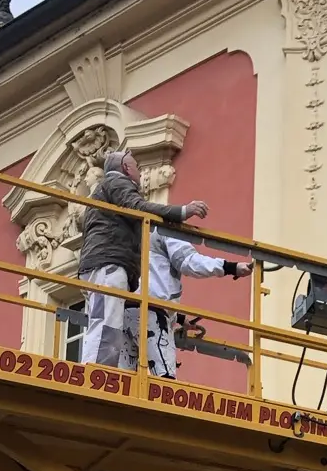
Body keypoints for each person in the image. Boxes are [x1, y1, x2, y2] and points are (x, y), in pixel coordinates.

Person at [77, 149, 207, 367]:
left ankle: (94, 367)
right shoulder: (117, 182)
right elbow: (138, 207)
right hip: (109, 264)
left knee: (102, 319)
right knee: (108, 322)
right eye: (136, 166)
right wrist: (182, 211)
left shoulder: (102, 191)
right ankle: (97, 371)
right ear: (126, 168)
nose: (139, 171)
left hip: (98, 264)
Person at [142, 225, 248, 376]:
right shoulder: (164, 228)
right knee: (164, 380)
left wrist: (180, 318)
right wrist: (231, 267)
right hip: (153, 312)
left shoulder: (132, 226)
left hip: (124, 307)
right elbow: (189, 262)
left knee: (123, 379)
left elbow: (149, 282)